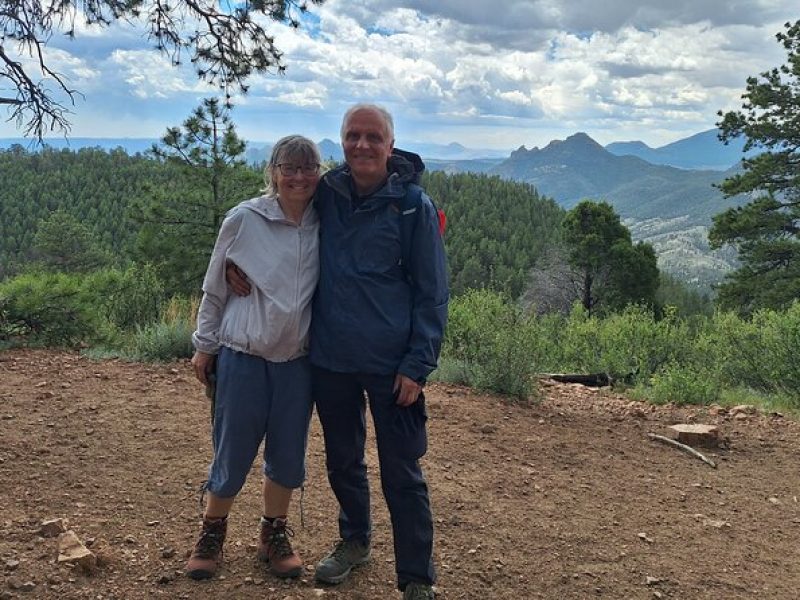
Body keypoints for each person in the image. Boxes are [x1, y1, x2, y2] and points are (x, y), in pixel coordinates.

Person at [228, 104, 449, 600]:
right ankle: (355, 541)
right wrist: (231, 264)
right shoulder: (326, 192)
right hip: (331, 357)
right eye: (354, 136)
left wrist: (418, 364)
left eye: (374, 137)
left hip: (394, 365)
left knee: (402, 470)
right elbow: (272, 217)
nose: (363, 145)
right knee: (343, 461)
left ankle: (416, 576)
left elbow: (432, 293)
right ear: (343, 142)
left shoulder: (412, 205)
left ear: (390, 145)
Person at [185, 135, 321, 581]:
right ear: (273, 171)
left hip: (297, 360)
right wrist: (205, 344)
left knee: (287, 453)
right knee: (233, 449)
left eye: (307, 167)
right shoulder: (245, 219)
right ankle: (212, 531)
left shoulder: (328, 220)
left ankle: (273, 532)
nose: (298, 176)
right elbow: (214, 286)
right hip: (244, 354)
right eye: (289, 167)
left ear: (319, 172)